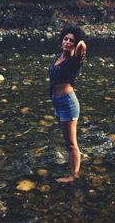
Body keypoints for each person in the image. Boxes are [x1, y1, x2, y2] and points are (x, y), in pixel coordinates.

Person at [49, 26, 87, 183]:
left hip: (67, 103)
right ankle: (74, 160)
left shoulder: (74, 60)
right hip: (58, 103)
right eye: (66, 39)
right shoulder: (59, 57)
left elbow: (82, 45)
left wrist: (79, 42)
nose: (68, 42)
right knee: (68, 141)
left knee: (72, 144)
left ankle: (74, 175)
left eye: (72, 40)